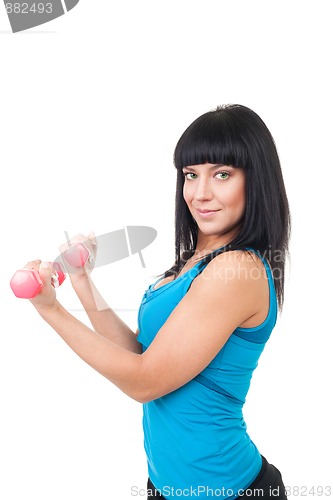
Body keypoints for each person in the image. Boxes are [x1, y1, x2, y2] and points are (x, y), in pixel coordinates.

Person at [23, 104, 290, 499]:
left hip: (226, 489)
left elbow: (145, 382)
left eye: (222, 174)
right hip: (165, 486)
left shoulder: (238, 269)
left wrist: (50, 310)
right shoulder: (192, 265)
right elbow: (138, 354)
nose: (200, 193)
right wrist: (81, 280)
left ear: (255, 180)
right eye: (190, 175)